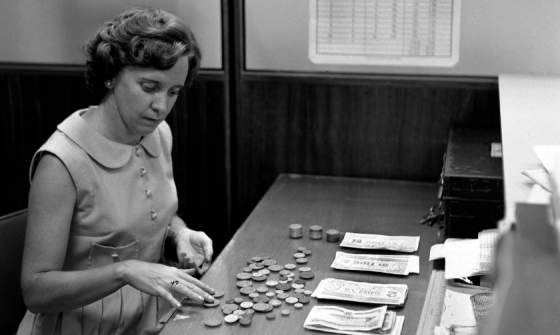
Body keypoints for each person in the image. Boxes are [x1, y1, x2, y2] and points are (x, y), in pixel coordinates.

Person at [17, 8, 216, 335]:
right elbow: (36, 291)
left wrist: (178, 235)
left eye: (173, 91)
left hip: (149, 322)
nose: (161, 106)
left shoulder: (159, 134)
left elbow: (149, 222)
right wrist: (124, 271)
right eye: (149, 86)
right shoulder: (62, 161)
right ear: (111, 75)